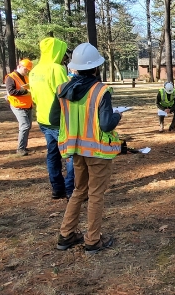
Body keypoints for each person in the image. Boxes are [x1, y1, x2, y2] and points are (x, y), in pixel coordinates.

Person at [54, 43, 122, 253]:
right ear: (96, 67)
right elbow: (106, 124)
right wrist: (118, 115)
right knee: (95, 195)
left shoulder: (62, 89)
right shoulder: (101, 90)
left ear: (75, 67)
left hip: (75, 150)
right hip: (98, 152)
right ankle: (92, 239)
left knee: (78, 190)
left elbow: (52, 118)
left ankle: (66, 235)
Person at [28, 38, 73, 199]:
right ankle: (70, 189)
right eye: (62, 52)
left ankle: (57, 188)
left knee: (52, 154)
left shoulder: (34, 71)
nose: (64, 56)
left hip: (43, 119)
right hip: (59, 119)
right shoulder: (56, 69)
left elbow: (33, 96)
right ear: (57, 51)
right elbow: (65, 93)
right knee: (70, 154)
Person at [6, 58, 35, 156]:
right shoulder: (11, 77)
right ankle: (20, 149)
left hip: (28, 104)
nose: (27, 71)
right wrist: (25, 92)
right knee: (25, 125)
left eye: (28, 70)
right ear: (19, 66)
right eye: (25, 69)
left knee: (28, 126)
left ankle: (24, 147)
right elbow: (11, 92)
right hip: (17, 105)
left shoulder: (26, 78)